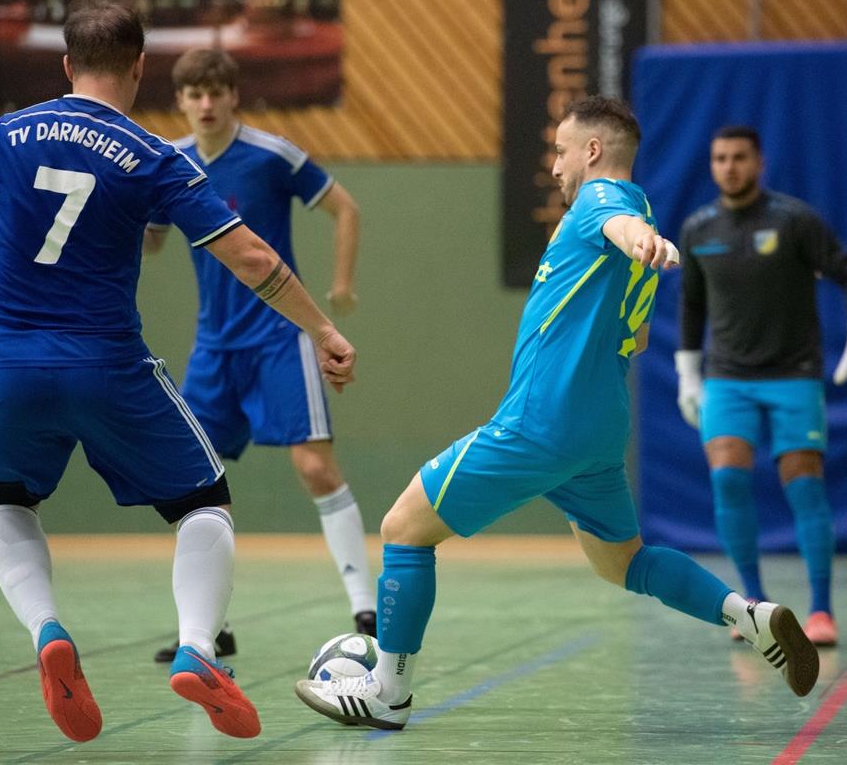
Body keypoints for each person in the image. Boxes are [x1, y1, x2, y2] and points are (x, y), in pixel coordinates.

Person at [294, 98, 820, 731]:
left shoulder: (603, 203)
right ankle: (747, 615)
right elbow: (640, 333)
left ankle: (388, 692)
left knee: (404, 527)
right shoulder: (639, 208)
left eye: (561, 150)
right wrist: (642, 242)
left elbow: (619, 224)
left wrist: (641, 240)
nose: (555, 165)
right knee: (623, 562)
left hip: (542, 422)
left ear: (592, 152)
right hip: (598, 427)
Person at [0, 0, 355, 743]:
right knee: (204, 502)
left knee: (6, 503)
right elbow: (251, 257)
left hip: (10, 362)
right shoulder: (153, 154)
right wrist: (323, 327)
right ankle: (198, 648)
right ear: (141, 66)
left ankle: (48, 631)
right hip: (108, 362)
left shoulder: (4, 134)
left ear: (66, 64)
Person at [143, 49, 374, 664]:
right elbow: (153, 243)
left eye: (216, 90)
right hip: (215, 346)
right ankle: (208, 629)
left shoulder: (273, 155)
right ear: (181, 101)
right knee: (190, 483)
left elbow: (344, 207)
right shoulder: (169, 164)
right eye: (194, 93)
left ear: (233, 95)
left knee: (315, 468)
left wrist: (342, 285)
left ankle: (366, 610)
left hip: (279, 337)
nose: (206, 103)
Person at [674, 126, 847, 648]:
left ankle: (821, 610)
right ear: (711, 165)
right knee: (726, 481)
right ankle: (752, 608)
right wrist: (687, 373)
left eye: (739, 157)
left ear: (759, 162)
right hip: (728, 379)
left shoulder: (793, 220)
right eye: (720, 158)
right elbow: (692, 306)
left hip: (793, 374)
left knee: (805, 486)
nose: (729, 166)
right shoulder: (699, 228)